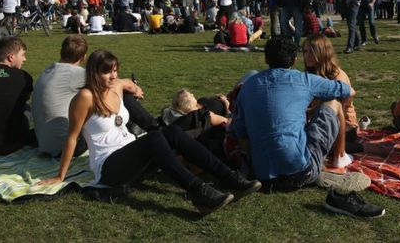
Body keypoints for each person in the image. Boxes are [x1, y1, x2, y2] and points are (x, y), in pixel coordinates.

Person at [40, 49, 261, 215]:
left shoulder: (116, 86)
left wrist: (135, 88)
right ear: (93, 73)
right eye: (106, 72)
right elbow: (72, 138)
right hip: (110, 166)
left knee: (172, 132)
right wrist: (60, 176)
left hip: (132, 155)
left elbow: (127, 83)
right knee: (155, 137)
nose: (113, 76)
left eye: (115, 70)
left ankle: (230, 178)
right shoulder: (85, 97)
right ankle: (198, 192)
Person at [232, 36, 354, 189]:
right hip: (299, 172)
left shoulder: (248, 85)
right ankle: (337, 157)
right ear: (295, 60)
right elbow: (350, 91)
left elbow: (240, 133)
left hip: (262, 174)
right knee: (333, 103)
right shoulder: (305, 79)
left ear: (266, 59)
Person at [302, 34, 361, 156]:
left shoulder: (337, 77)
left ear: (322, 53)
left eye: (311, 52)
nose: (307, 56)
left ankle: (360, 148)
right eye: (305, 51)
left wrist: (308, 113)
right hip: (319, 120)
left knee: (315, 145)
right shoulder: (310, 75)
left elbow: (336, 110)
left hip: (344, 126)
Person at [32, 35, 89, 157]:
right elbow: (110, 84)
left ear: (61, 52)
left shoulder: (47, 70)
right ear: (84, 57)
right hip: (66, 148)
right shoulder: (76, 73)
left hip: (44, 143)